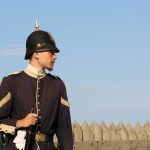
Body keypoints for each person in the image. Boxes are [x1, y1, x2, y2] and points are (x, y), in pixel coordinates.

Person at [0, 21, 73, 150]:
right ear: (36, 54)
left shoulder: (58, 85)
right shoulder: (11, 82)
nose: (55, 57)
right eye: (51, 52)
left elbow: (64, 129)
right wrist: (19, 123)